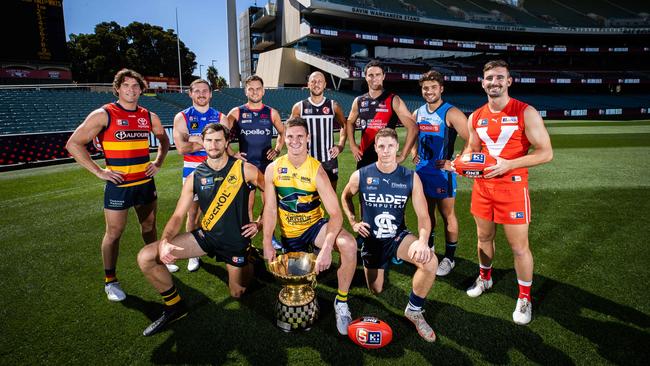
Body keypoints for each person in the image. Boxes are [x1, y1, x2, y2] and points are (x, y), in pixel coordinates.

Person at [137, 123, 265, 336]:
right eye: (209, 140)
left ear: (226, 143)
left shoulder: (244, 168)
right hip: (207, 237)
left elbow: (269, 192)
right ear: (202, 143)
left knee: (237, 293)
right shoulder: (195, 176)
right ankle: (174, 306)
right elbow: (178, 215)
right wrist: (165, 241)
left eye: (218, 140)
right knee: (146, 257)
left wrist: (259, 223)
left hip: (236, 241)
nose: (213, 145)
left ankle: (250, 257)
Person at [66, 69, 169, 303]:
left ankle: (156, 262)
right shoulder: (104, 114)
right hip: (119, 186)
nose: (131, 90)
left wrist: (158, 162)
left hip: (145, 183)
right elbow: (73, 144)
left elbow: (163, 139)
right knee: (114, 233)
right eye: (126, 85)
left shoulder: (148, 115)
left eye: (136, 86)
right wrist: (99, 171)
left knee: (149, 227)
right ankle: (110, 281)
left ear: (142, 89)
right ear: (118, 88)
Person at [463, 60, 553, 325]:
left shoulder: (526, 112)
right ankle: (485, 277)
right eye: (489, 78)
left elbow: (546, 153)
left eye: (500, 77)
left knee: (518, 247)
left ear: (509, 81)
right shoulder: (475, 116)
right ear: (482, 83)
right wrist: (464, 159)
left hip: (512, 187)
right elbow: (472, 146)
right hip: (482, 188)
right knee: (483, 237)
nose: (494, 82)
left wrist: (509, 164)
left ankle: (525, 297)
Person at [262, 117, 357, 336]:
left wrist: (326, 248)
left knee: (349, 245)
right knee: (296, 287)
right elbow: (269, 209)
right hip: (289, 236)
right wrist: (267, 242)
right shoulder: (273, 169)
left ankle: (341, 302)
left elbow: (335, 214)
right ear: (283, 138)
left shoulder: (317, 170)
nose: (294, 141)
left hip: (315, 228)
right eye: (290, 136)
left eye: (299, 136)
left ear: (308, 139)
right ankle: (308, 255)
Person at [341, 127, 438, 342]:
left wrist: (423, 242)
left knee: (430, 262)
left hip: (397, 236)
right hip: (371, 240)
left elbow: (424, 217)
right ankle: (385, 261)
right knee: (376, 289)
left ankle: (414, 310)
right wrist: (354, 222)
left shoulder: (410, 177)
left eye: (390, 146)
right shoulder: (362, 175)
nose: (386, 151)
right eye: (381, 146)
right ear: (375, 148)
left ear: (397, 148)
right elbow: (345, 196)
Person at [412, 70, 469, 277]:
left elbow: (472, 140)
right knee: (426, 213)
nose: (429, 91)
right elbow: (413, 135)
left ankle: (450, 258)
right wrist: (413, 152)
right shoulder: (417, 113)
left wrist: (455, 163)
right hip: (422, 172)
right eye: (425, 88)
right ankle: (430, 248)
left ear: (441, 89)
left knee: (447, 215)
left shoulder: (450, 112)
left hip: (442, 174)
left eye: (433, 87)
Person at [171, 79, 227, 273]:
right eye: (197, 91)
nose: (201, 94)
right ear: (191, 94)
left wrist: (196, 139)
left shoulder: (221, 117)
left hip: (217, 169)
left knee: (215, 212)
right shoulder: (182, 117)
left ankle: (214, 245)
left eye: (205, 91)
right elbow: (181, 148)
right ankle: (193, 253)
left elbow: (222, 147)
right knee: (192, 214)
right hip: (192, 172)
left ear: (211, 94)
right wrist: (208, 143)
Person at [225, 75, 284, 247]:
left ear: (263, 90)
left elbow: (283, 133)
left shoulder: (271, 112)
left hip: (266, 167)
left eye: (258, 88)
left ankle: (269, 237)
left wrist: (277, 150)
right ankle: (248, 241)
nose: (255, 92)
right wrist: (232, 153)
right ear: (245, 91)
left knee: (269, 204)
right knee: (247, 206)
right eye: (251, 88)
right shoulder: (236, 112)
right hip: (246, 168)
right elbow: (223, 136)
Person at [346, 60, 418, 169]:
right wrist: (352, 144)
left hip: (387, 159)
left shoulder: (393, 99)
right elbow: (350, 122)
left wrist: (403, 156)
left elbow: (413, 127)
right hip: (364, 159)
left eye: (378, 74)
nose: (374, 78)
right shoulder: (359, 101)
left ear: (383, 76)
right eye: (370, 75)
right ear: (365, 77)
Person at [290, 71, 347, 190]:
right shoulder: (299, 107)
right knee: (307, 197)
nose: (316, 84)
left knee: (330, 196)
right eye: (313, 81)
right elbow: (289, 130)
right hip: (307, 159)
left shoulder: (333, 105)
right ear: (308, 84)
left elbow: (344, 125)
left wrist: (340, 145)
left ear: (325, 84)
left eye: (320, 81)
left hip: (329, 160)